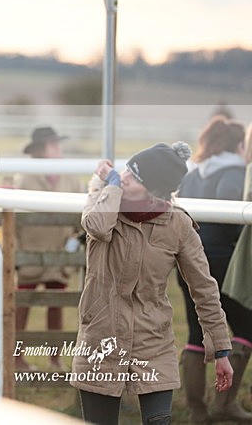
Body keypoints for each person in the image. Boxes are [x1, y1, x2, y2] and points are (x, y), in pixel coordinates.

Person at [72, 141, 233, 425]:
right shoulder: (104, 205)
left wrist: (221, 348)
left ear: (154, 192)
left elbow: (204, 288)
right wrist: (107, 184)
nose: (123, 178)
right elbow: (96, 226)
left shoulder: (178, 225)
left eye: (133, 178)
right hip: (101, 339)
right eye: (126, 171)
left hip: (154, 341)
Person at [177, 116, 252, 423]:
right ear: (237, 144)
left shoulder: (192, 173)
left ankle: (197, 409)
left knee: (197, 331)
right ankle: (224, 404)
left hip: (187, 256)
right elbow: (232, 216)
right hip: (220, 260)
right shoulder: (235, 170)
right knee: (247, 328)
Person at [13, 126, 84, 371]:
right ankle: (16, 357)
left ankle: (56, 358)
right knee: (22, 305)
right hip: (30, 253)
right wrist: (16, 251)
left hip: (59, 252)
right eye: (53, 145)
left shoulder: (71, 176)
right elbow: (15, 217)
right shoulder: (24, 177)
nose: (59, 150)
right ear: (40, 150)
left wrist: (74, 240)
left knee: (57, 306)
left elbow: (80, 210)